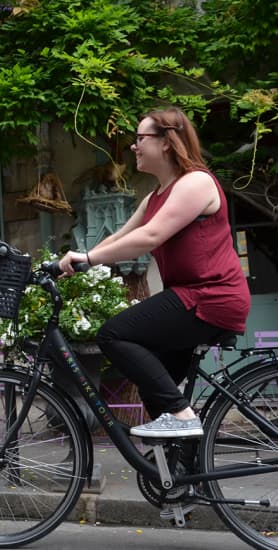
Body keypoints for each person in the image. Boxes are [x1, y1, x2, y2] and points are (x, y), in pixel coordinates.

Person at [58, 107, 251, 438]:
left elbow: (149, 238)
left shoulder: (196, 183)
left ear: (166, 142)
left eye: (139, 138)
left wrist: (88, 258)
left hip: (211, 297)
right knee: (154, 384)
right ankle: (178, 479)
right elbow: (120, 237)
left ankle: (182, 416)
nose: (133, 147)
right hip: (189, 298)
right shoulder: (154, 198)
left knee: (113, 334)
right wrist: (73, 260)